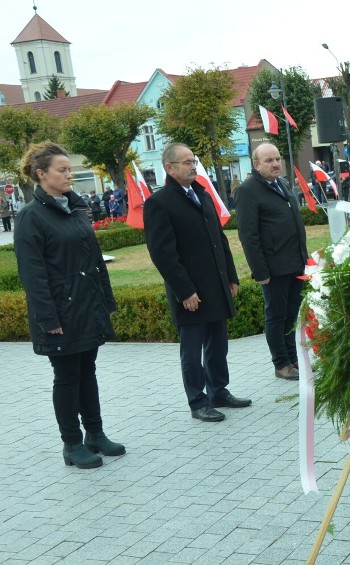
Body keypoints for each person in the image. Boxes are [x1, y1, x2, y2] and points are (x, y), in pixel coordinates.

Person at [14, 142, 124, 469]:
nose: (69, 175)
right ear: (41, 174)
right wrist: (49, 318)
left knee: (87, 371)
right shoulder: (31, 217)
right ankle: (72, 444)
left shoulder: (75, 209)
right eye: (61, 170)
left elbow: (93, 261)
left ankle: (95, 434)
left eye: (69, 169)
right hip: (60, 313)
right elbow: (32, 275)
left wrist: (106, 301)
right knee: (66, 377)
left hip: (87, 307)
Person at [143, 143, 250, 422]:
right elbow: (162, 254)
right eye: (186, 162)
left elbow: (220, 239)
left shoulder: (202, 194)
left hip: (216, 285)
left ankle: (218, 391)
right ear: (170, 168)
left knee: (218, 343)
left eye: (194, 161)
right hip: (190, 291)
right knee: (192, 349)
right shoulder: (159, 203)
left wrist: (231, 276)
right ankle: (197, 400)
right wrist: (185, 291)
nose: (193, 166)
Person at [236, 143, 308, 380]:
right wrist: (260, 271)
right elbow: (248, 235)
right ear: (256, 165)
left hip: (295, 264)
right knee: (276, 317)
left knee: (291, 315)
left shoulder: (282, 184)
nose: (276, 164)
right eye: (269, 160)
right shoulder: (248, 190)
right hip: (273, 268)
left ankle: (293, 358)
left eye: (277, 159)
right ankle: (281, 363)